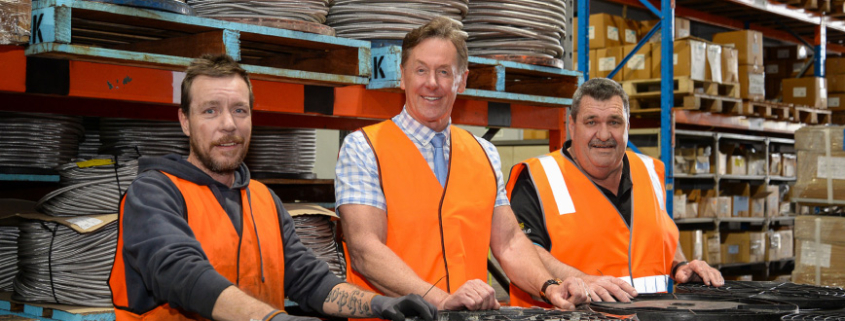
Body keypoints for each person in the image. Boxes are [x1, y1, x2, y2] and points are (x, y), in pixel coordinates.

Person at [109, 54, 437, 321]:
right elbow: (182, 273)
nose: (228, 124)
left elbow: (309, 279)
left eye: (240, 110)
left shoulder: (264, 201)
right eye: (210, 111)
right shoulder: (153, 194)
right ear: (184, 121)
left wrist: (377, 305)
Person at [334, 16, 590, 313]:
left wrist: (550, 286)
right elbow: (366, 250)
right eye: (420, 70)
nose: (432, 83)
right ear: (402, 76)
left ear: (463, 80)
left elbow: (508, 243)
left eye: (444, 72)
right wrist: (440, 300)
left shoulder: (484, 153)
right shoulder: (364, 148)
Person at [505, 78, 725, 307]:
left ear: (627, 126)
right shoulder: (538, 177)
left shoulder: (650, 170)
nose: (603, 134)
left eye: (614, 122)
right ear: (572, 125)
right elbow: (524, 250)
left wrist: (680, 266)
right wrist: (583, 280)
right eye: (591, 122)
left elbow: (659, 233)